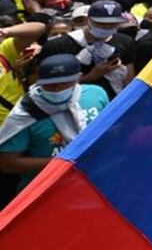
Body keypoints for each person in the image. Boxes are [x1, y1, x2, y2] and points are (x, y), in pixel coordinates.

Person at [0, 54, 109, 189]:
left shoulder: (96, 94)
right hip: (46, 189)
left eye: (64, 83)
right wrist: (63, 163)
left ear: (78, 78)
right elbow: (8, 164)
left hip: (95, 183)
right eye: (50, 85)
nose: (57, 89)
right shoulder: (25, 114)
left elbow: (109, 130)